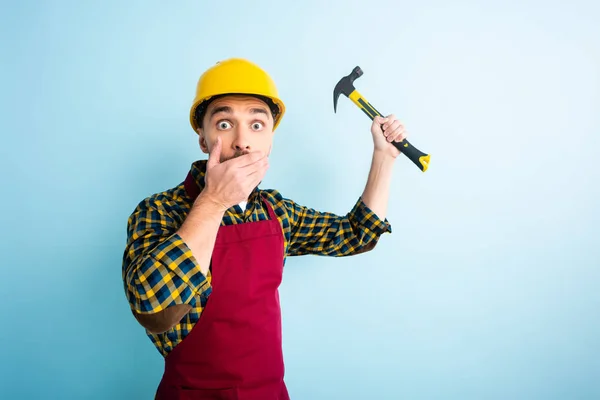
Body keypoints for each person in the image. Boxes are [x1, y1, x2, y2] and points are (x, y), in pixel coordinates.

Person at [122, 57, 408, 399]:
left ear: (270, 139)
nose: (243, 142)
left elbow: (355, 234)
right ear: (202, 138)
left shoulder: (277, 212)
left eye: (257, 125)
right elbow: (151, 307)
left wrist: (384, 157)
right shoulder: (160, 211)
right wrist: (213, 202)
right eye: (225, 124)